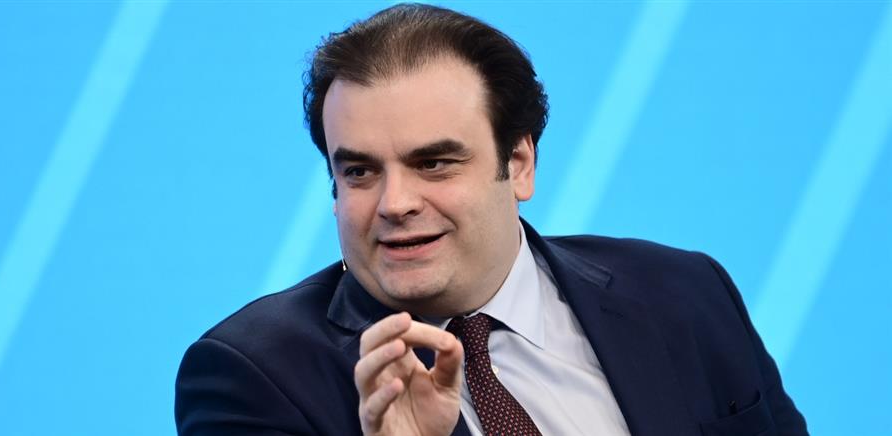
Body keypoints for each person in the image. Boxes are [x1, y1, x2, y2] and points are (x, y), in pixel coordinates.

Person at [175, 4, 808, 435]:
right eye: (361, 171)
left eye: (433, 163)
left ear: (520, 164)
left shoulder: (684, 293)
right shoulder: (253, 377)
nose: (394, 204)